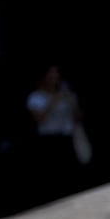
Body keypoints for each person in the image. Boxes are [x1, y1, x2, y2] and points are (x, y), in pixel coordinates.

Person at [25, 64, 87, 205]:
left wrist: (72, 103)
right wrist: (54, 99)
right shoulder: (35, 97)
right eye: (51, 74)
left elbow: (79, 117)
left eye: (56, 74)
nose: (54, 77)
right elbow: (39, 120)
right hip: (48, 142)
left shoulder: (67, 94)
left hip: (66, 140)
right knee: (51, 180)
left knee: (69, 179)